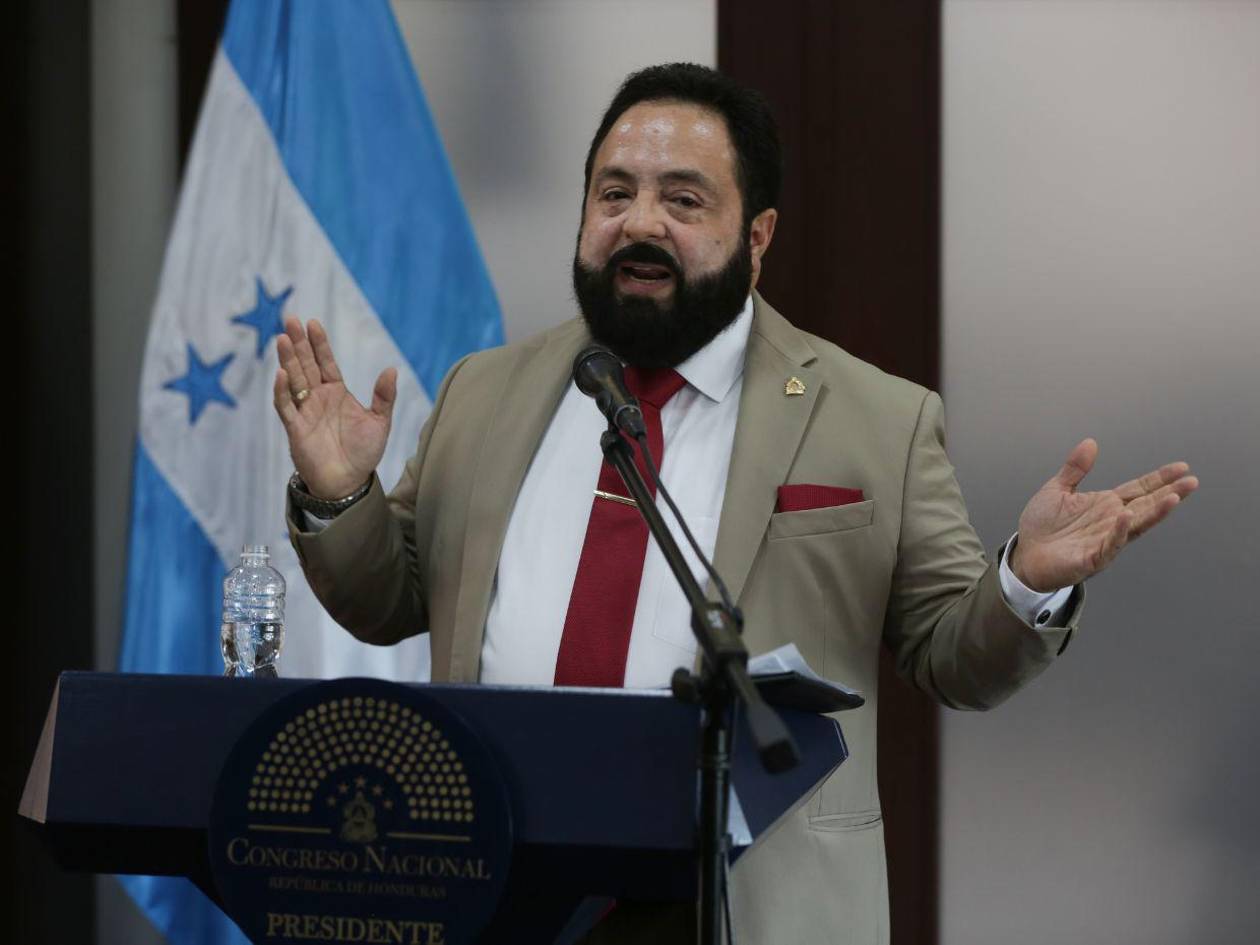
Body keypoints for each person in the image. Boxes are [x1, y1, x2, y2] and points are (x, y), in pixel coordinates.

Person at [273, 64, 1197, 945]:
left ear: (756, 239)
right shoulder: (484, 390)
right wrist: (339, 490)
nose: (640, 222)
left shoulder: (876, 418)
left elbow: (955, 656)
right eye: (614, 193)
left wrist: (1027, 581)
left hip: (743, 900)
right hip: (498, 886)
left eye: (683, 200)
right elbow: (389, 598)